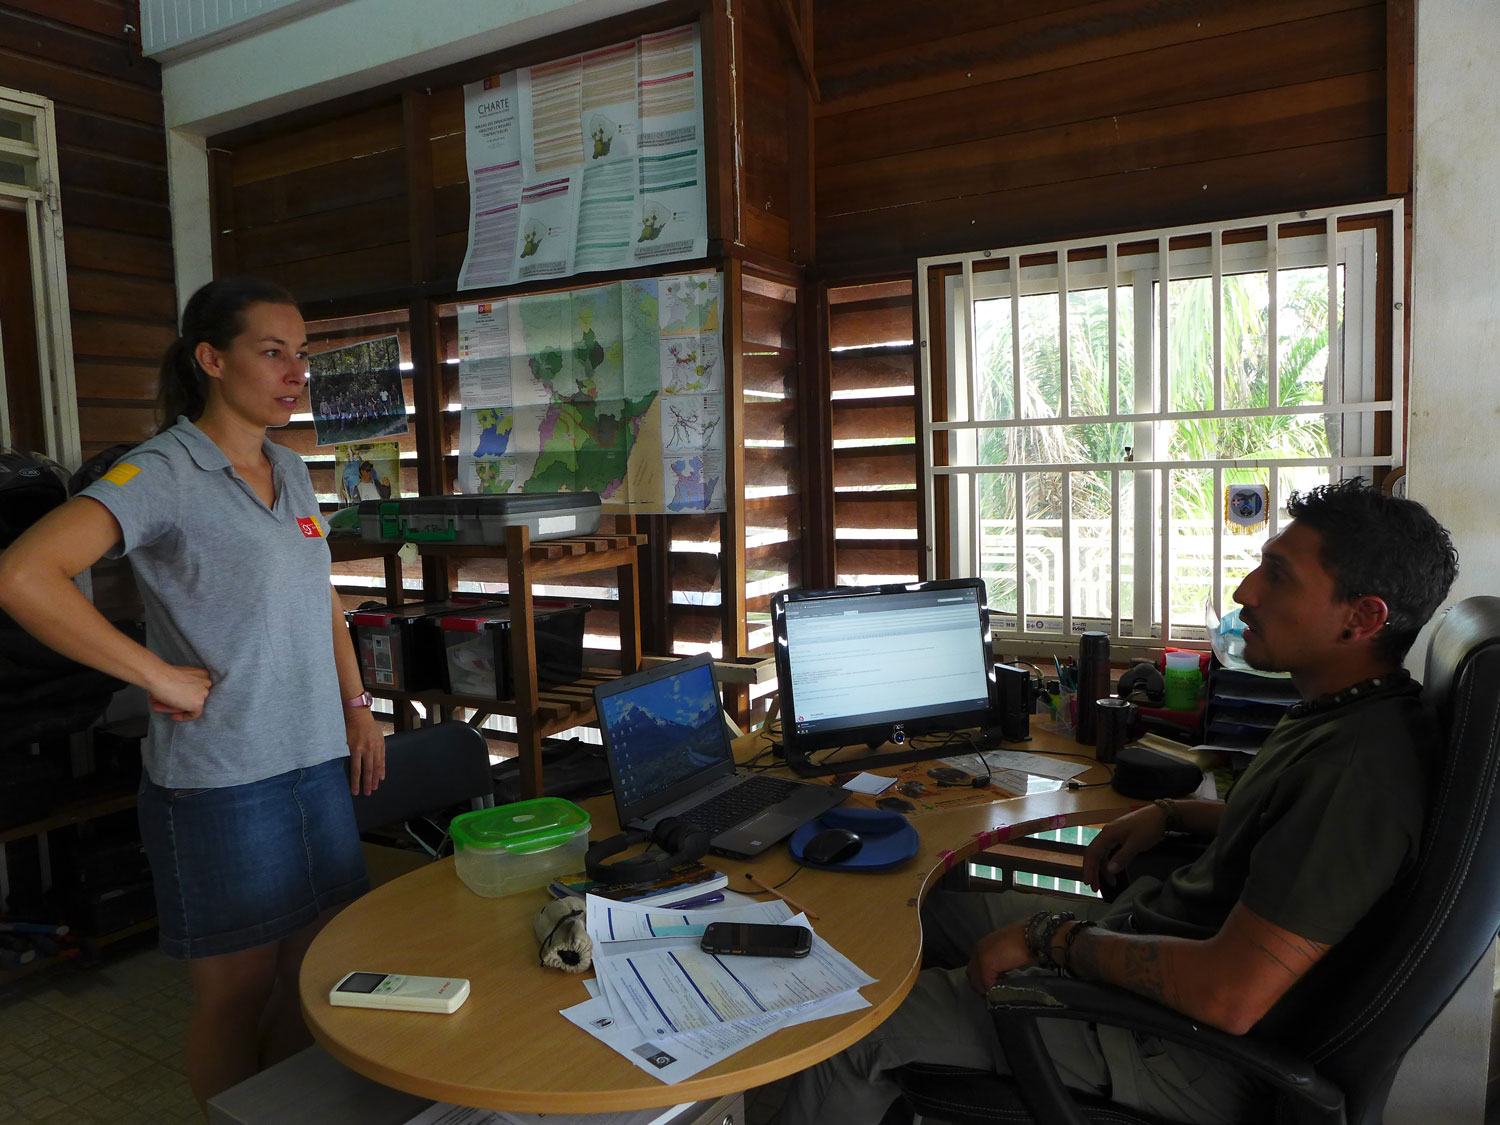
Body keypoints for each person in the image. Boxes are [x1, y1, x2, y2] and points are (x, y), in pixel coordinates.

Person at [772, 478, 1459, 1125]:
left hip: (1179, 1048)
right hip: (1154, 949)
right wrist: (1172, 812)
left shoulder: (1360, 769)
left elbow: (1230, 993)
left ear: (1364, 617)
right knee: (922, 914)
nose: (1245, 588)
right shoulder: (1341, 713)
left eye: (1278, 575)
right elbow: (1292, 842)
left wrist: (1052, 941)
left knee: (841, 1032)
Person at [0, 277, 387, 1111]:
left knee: (309, 976)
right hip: (222, 782)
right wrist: (154, 673)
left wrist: (358, 708)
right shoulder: (164, 470)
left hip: (315, 760)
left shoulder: (287, 467)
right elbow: (24, 574)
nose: (295, 373)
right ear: (212, 359)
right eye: (272, 352)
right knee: (235, 995)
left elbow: (319, 593)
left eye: (303, 354)